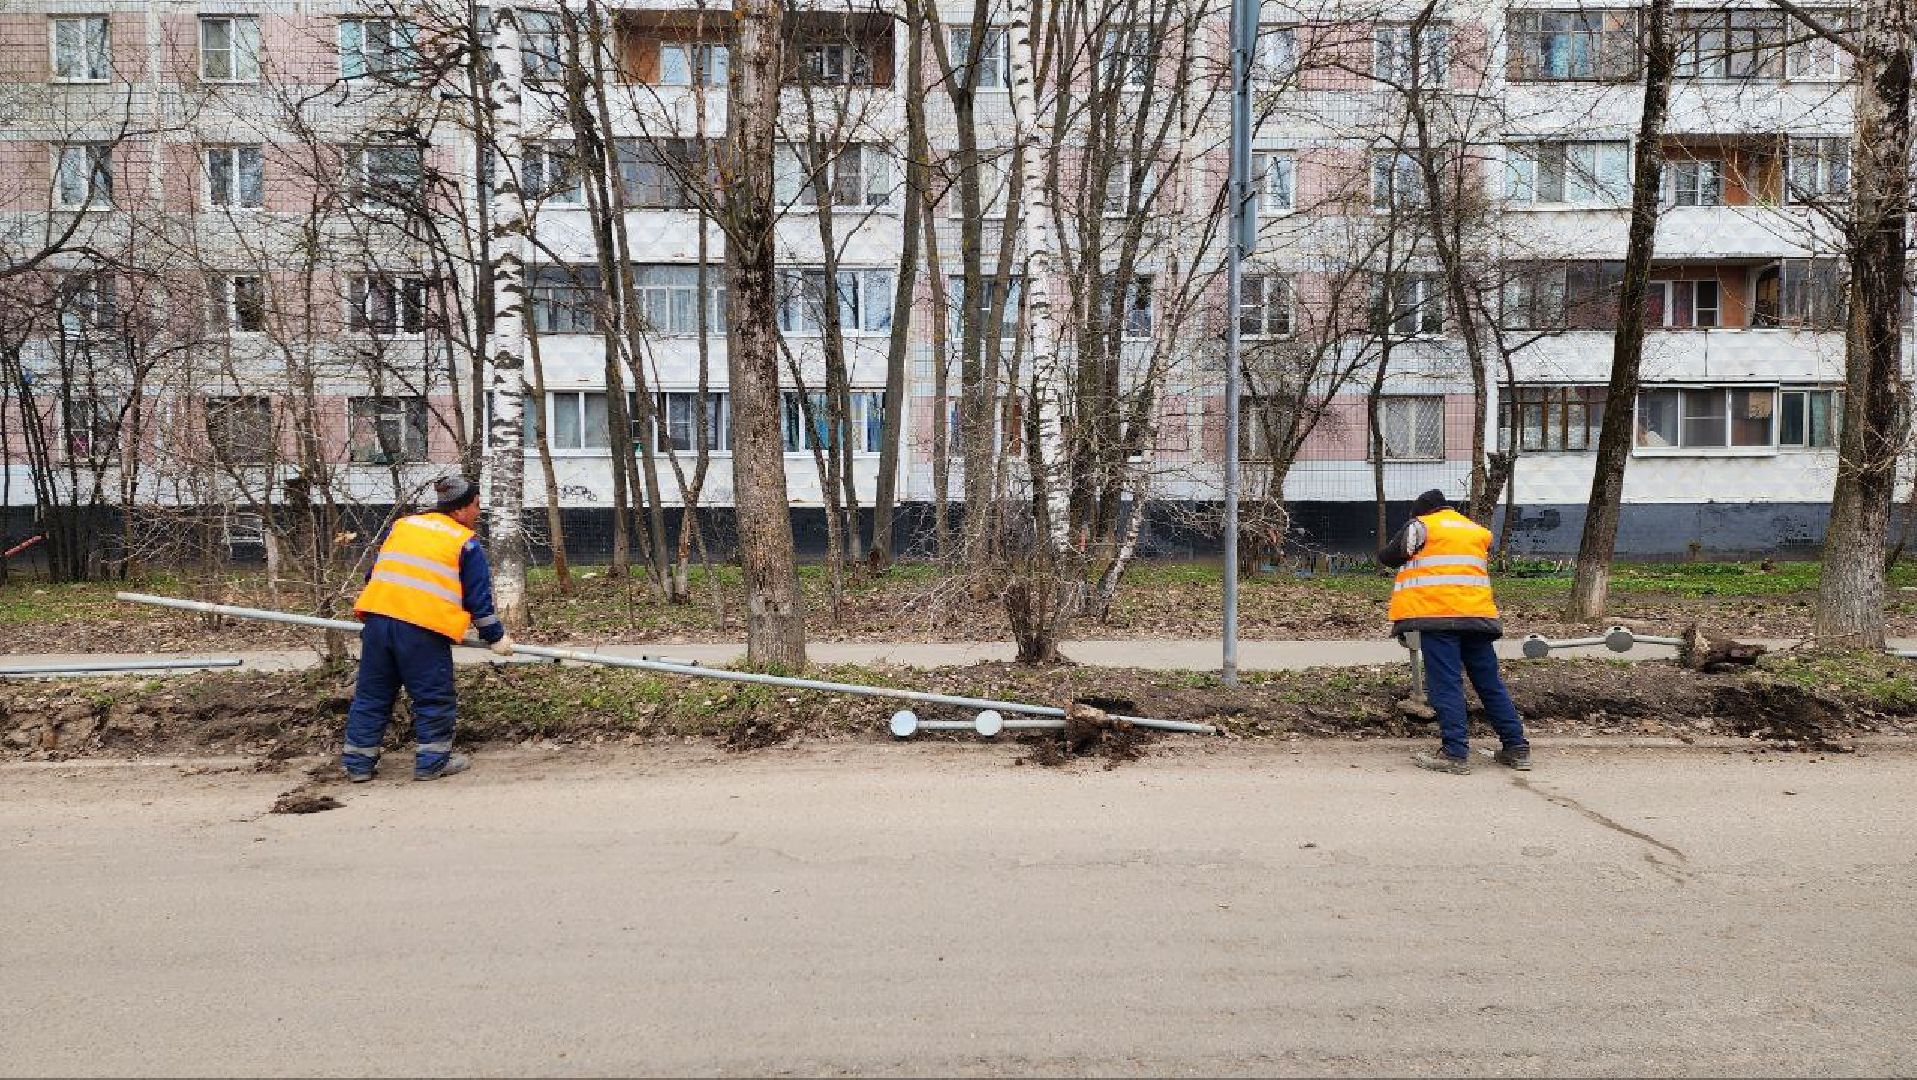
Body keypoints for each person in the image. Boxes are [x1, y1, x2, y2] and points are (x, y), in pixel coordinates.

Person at [342, 476, 514, 782]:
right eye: (476, 506)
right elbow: (479, 601)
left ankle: (358, 765)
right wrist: (496, 638)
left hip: (378, 621)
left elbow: (374, 574)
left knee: (371, 695)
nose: (478, 512)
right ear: (459, 509)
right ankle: (432, 762)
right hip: (422, 629)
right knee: (433, 697)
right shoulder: (464, 542)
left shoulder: (403, 526)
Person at [1377, 488, 1530, 775]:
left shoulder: (1421, 526)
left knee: (1446, 684)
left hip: (1438, 618)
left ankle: (1455, 753)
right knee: (1489, 684)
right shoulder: (1475, 531)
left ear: (1421, 511)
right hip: (1477, 618)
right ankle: (1516, 747)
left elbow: (1389, 556)